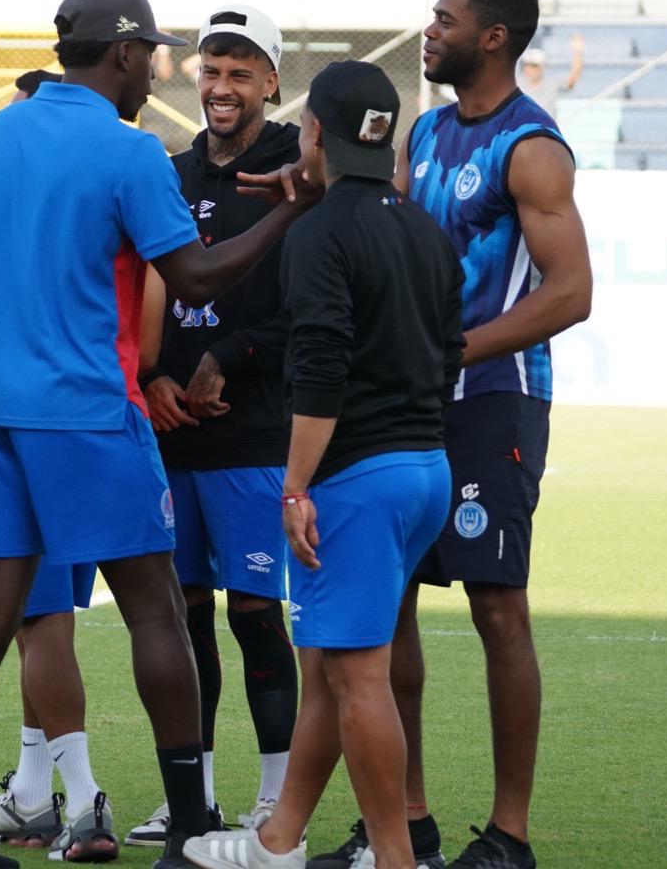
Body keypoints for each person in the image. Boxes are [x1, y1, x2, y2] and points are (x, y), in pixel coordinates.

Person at [0, 0, 323, 869]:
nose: (160, 70)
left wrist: (15, 347)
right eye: (156, 54)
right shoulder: (129, 153)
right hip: (89, 413)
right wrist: (291, 207)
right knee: (157, 609)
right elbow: (198, 278)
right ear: (125, 55)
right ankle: (192, 829)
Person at [308, 0, 592, 869]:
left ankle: (509, 836)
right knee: (385, 607)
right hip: (411, 406)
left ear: (494, 36)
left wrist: (453, 354)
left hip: (494, 398)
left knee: (497, 607)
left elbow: (573, 290)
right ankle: (410, 823)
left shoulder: (533, 148)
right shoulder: (424, 133)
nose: (428, 32)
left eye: (445, 20)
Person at [182, 60, 465, 869]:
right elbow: (449, 354)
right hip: (424, 471)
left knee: (358, 677)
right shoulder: (421, 227)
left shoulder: (318, 235)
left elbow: (321, 364)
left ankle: (393, 856)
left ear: (313, 135)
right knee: (332, 663)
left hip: (355, 480)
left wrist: (298, 483)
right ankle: (279, 839)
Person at [131, 5, 300, 846]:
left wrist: (229, 355)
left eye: (241, 72)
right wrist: (153, 375)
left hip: (258, 429)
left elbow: (313, 299)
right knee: (183, 612)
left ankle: (276, 799)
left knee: (256, 614)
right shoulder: (168, 170)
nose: (222, 87)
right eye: (211, 70)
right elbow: (144, 289)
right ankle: (190, 799)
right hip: (174, 435)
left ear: (272, 80)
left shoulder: (299, 171)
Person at [0, 67, 122, 863]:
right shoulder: (106, 175)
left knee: (40, 616)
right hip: (93, 412)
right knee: (44, 617)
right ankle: (34, 792)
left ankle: (86, 799)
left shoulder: (46, 174)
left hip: (62, 416)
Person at [516, 34, 582, 118]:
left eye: (534, 65)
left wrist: (577, 51)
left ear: (542, 67)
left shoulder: (551, 83)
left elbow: (573, 78)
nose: (529, 69)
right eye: (527, 65)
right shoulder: (516, 84)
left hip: (544, 128)